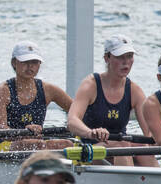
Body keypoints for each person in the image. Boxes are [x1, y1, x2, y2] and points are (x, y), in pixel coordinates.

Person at [66, 35, 155, 166]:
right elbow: (72, 121)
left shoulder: (134, 90)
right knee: (122, 144)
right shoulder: (90, 85)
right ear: (106, 58)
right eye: (120, 57)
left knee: (143, 147)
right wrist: (90, 133)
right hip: (90, 149)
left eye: (130, 56)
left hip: (120, 148)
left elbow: (149, 132)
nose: (126, 62)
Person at [0, 42, 73, 151]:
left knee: (67, 143)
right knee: (38, 144)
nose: (30, 66)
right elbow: (0, 130)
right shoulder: (1, 91)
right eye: (25, 62)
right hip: (3, 145)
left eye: (34, 62)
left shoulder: (49, 90)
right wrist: (23, 133)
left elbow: (77, 112)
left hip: (36, 144)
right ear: (14, 63)